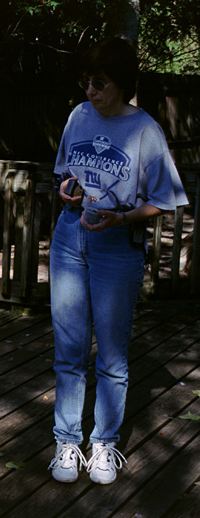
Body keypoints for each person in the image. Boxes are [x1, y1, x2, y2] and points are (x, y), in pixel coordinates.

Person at [48, 36, 189, 485]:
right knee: (69, 351)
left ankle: (103, 444)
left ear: (123, 85)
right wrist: (67, 189)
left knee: (111, 355)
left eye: (100, 83)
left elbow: (164, 202)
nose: (90, 91)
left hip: (117, 245)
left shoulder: (145, 129)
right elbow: (64, 175)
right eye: (86, 81)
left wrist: (120, 218)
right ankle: (67, 441)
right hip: (70, 237)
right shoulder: (78, 115)